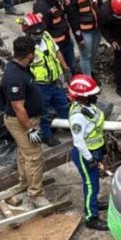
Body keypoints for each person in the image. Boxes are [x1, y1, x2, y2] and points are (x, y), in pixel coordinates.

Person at [2, 35, 50, 208]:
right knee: (34, 156)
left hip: (25, 120)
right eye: (33, 52)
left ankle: (24, 182)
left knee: (24, 153)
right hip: (22, 122)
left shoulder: (18, 67)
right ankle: (36, 194)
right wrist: (31, 129)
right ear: (29, 54)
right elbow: (18, 108)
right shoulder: (15, 77)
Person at [20, 11, 70, 146]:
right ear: (28, 33)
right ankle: (47, 136)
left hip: (55, 81)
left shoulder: (47, 36)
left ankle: (67, 126)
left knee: (63, 105)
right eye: (36, 34)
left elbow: (57, 51)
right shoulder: (24, 47)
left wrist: (65, 69)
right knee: (43, 113)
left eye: (40, 32)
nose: (39, 35)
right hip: (40, 86)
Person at [68, 74, 107, 230]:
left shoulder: (87, 107)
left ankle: (94, 203)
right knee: (90, 184)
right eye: (92, 95)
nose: (95, 96)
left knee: (95, 181)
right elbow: (79, 141)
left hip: (95, 150)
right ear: (82, 97)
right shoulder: (78, 116)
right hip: (86, 154)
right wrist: (90, 159)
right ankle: (91, 217)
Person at [33, 0, 76, 73]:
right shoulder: (41, 8)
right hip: (56, 48)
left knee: (72, 68)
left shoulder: (55, 0)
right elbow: (44, 34)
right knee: (61, 72)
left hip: (66, 42)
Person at [65, 0, 102, 77]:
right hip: (84, 31)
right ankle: (88, 79)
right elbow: (73, 19)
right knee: (86, 55)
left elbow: (100, 5)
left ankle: (89, 71)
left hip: (97, 28)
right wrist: (79, 37)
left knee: (94, 53)